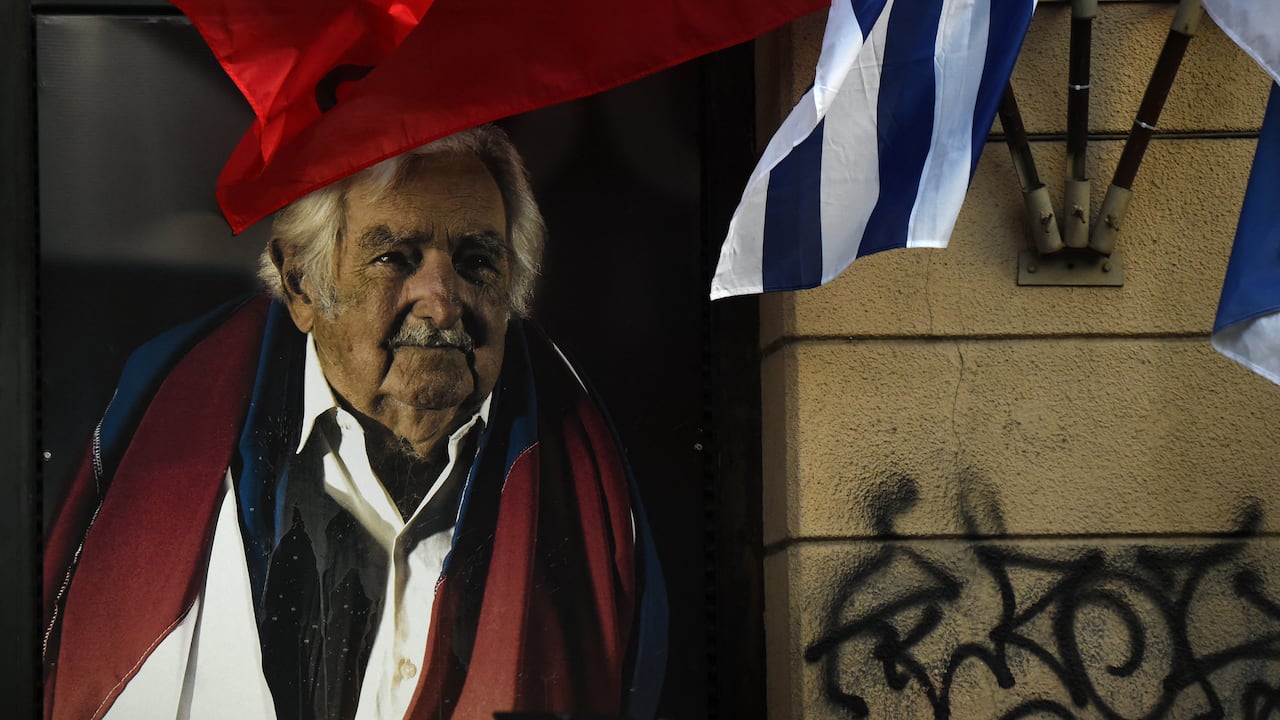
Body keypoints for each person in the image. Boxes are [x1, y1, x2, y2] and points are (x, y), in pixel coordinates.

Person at [42, 125, 666, 720]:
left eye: (477, 260)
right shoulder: (169, 440)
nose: (442, 301)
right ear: (301, 284)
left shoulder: (599, 473)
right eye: (395, 257)